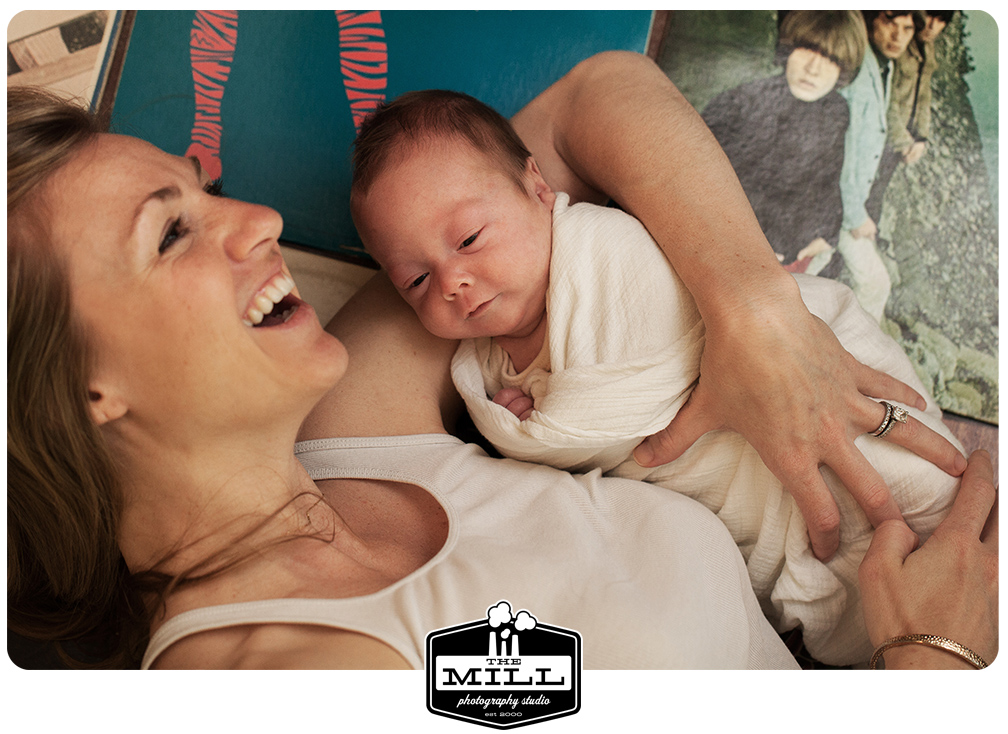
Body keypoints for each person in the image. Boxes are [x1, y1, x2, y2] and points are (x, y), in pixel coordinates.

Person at [7, 52, 990, 672]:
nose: (260, 219)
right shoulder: (273, 678)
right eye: (171, 232)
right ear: (85, 387)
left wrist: (757, 315)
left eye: (204, 189)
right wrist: (935, 661)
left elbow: (589, 102)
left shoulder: (350, 430)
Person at [349, 88, 962, 664]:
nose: (451, 281)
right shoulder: (481, 366)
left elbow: (639, 383)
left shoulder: (604, 251)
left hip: (807, 398)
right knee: (864, 602)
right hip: (741, 501)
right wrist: (526, 428)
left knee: (917, 500)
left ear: (536, 186)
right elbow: (564, 455)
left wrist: (544, 428)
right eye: (415, 280)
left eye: (469, 238)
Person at [701, 10, 865, 274]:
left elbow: (828, 178)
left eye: (831, 59)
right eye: (807, 49)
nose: (814, 69)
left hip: (795, 257)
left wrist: (827, 234)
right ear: (787, 49)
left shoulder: (837, 110)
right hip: (730, 254)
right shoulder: (740, 103)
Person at [837, 10, 921, 321]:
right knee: (875, 284)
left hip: (841, 208)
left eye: (907, 28)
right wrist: (855, 216)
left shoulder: (883, 65)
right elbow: (840, 148)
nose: (898, 36)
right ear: (871, 20)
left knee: (804, 274)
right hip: (833, 207)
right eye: (890, 23)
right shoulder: (857, 67)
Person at [864, 10, 952, 227]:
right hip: (887, 135)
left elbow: (924, 94)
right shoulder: (898, 47)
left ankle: (869, 234)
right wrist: (902, 141)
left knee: (878, 192)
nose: (932, 26)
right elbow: (887, 98)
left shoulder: (927, 48)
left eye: (941, 20)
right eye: (930, 16)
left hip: (901, 139)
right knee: (864, 190)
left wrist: (921, 136)